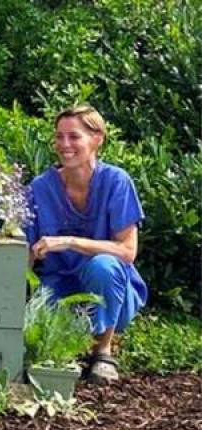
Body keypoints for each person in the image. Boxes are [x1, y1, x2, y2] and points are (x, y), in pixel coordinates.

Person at [25, 105, 147, 385]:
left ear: (97, 139)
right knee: (36, 329)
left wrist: (69, 241)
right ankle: (60, 355)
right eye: (59, 137)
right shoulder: (40, 188)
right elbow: (27, 252)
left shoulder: (116, 182)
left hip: (111, 291)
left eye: (74, 136)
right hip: (60, 287)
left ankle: (102, 352)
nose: (64, 145)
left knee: (103, 265)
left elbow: (127, 252)